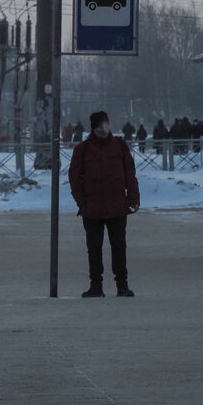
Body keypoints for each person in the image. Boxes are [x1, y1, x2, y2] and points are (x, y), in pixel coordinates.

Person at [68, 110, 141, 298]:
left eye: (106, 124)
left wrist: (133, 198)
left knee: (119, 246)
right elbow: (74, 178)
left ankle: (122, 285)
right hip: (92, 208)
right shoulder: (82, 149)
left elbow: (129, 173)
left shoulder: (120, 145)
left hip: (117, 206)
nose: (104, 128)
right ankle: (96, 285)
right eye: (100, 125)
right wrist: (81, 201)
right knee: (94, 248)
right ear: (94, 128)